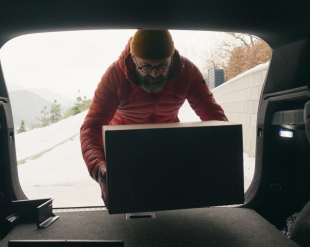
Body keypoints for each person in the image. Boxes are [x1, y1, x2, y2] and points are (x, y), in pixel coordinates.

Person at [80, 30, 228, 206]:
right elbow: (92, 126)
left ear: (172, 58)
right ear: (133, 59)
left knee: (172, 199)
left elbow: (212, 114)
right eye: (146, 67)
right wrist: (99, 168)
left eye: (163, 66)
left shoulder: (187, 71)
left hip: (168, 143)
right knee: (131, 202)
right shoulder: (114, 76)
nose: (155, 74)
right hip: (124, 147)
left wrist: (224, 155)